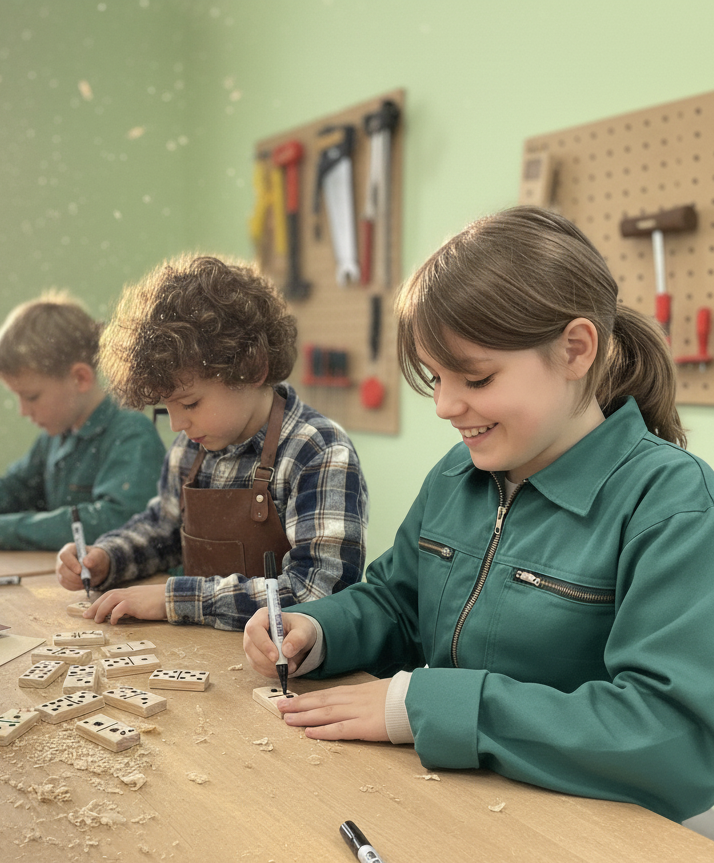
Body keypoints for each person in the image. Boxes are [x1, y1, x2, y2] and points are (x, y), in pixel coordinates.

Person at [243, 206, 714, 822]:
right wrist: (318, 631)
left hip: (596, 829)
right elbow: (398, 604)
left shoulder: (672, 504)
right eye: (436, 377)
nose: (444, 405)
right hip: (463, 801)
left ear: (575, 350)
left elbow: (673, 737)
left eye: (476, 378)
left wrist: (428, 707)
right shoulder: (457, 474)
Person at [54, 254, 368, 630]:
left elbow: (317, 590)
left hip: (283, 661)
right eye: (166, 407)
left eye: (190, 403)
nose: (177, 424)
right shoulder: (192, 446)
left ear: (253, 368)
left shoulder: (318, 452)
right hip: (202, 651)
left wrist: (176, 599)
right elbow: (163, 529)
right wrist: (107, 557)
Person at [0, 291, 165, 551]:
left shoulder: (132, 434)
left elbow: (116, 520)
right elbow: (16, 488)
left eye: (31, 397)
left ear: (80, 378)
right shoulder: (57, 434)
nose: (23, 411)